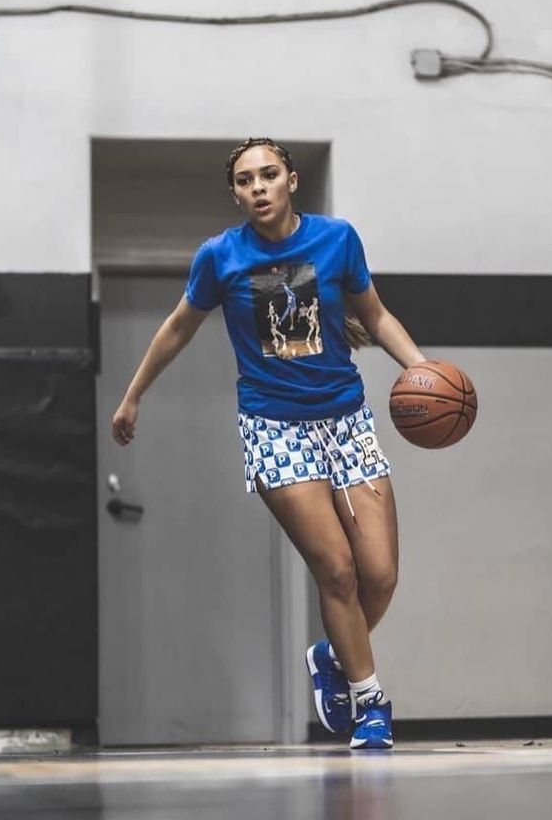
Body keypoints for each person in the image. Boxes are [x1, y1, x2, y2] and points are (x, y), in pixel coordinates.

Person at [112, 137, 427, 750]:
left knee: (380, 575)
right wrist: (133, 395)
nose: (258, 187)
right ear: (235, 193)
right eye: (245, 180)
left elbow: (378, 315)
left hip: (346, 419)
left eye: (269, 175)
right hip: (273, 425)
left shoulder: (337, 240)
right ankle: (371, 705)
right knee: (335, 570)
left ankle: (332, 656)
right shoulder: (220, 256)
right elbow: (179, 327)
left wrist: (421, 371)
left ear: (291, 180)